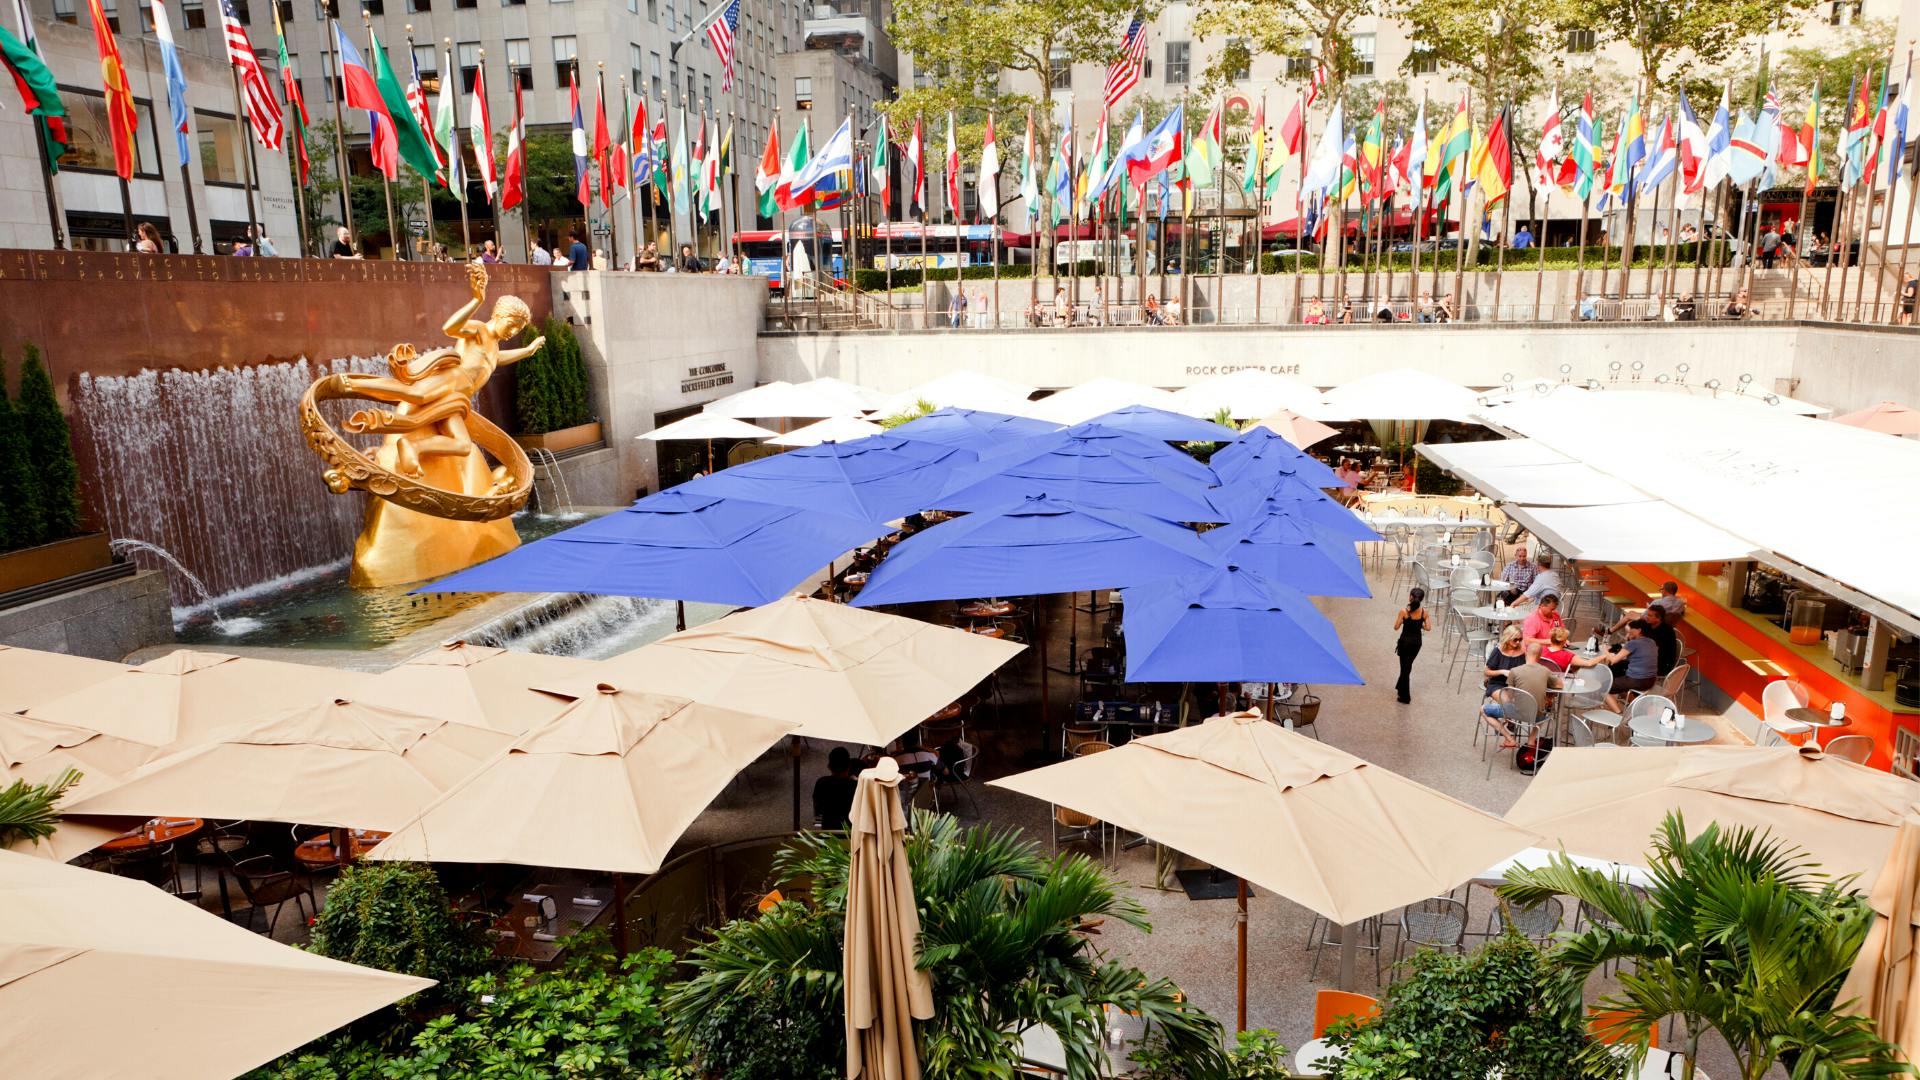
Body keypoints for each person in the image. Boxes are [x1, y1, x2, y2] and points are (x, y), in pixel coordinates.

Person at [1482, 642, 1562, 750]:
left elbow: (1510, 697)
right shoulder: (1546, 671)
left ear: (1526, 654)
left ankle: (1510, 739)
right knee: (1542, 709)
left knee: (1483, 709)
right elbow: (1560, 685)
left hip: (1516, 713)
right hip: (1538, 717)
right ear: (1540, 656)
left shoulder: (1515, 671)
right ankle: (1531, 739)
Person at [1597, 619, 1660, 710]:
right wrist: (1629, 637)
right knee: (1619, 684)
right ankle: (1637, 707)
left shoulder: (1633, 643)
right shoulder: (1651, 642)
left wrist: (1604, 649)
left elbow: (1613, 660)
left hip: (1636, 680)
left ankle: (1618, 715)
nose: (1629, 631)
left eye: (1631, 629)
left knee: (1603, 687)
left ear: (1639, 630)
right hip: (1651, 680)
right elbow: (1638, 657)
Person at [1392, 586, 1432, 705]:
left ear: (1410, 597)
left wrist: (1404, 620)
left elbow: (1396, 627)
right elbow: (1428, 628)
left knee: (1405, 668)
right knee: (1407, 666)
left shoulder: (1404, 611)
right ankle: (1400, 687)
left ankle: (1405, 697)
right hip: (1416, 643)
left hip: (1405, 643)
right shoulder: (1424, 612)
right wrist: (1420, 625)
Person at [811, 746, 858, 830]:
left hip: (828, 835)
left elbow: (817, 810)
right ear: (849, 766)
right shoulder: (856, 786)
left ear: (829, 766)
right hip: (850, 836)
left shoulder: (821, 783)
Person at [1483, 626, 1529, 699]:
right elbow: (1486, 672)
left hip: (1516, 685)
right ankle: (1487, 710)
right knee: (1507, 701)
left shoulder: (1522, 652)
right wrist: (1502, 672)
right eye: (1515, 639)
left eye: (1520, 639)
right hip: (1498, 684)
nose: (1518, 642)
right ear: (1507, 638)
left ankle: (1490, 710)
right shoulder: (1498, 651)